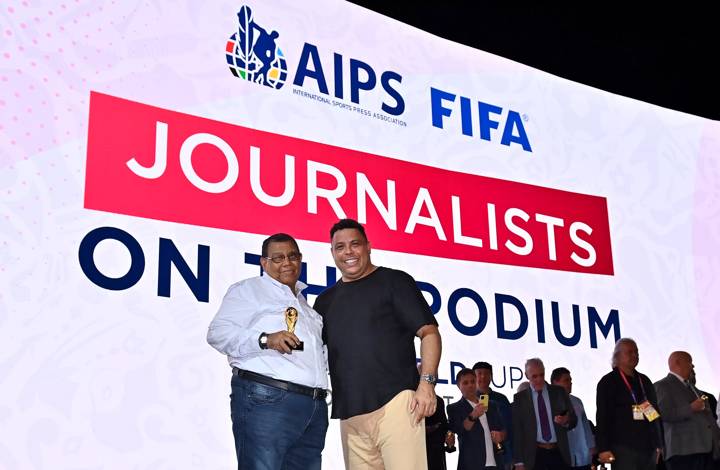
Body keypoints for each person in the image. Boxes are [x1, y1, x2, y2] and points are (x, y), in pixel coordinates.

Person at [314, 218, 442, 470]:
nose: (348, 252)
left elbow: (429, 333)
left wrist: (426, 384)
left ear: (368, 246)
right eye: (340, 247)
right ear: (332, 253)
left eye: (355, 244)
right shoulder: (324, 302)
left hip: (397, 404)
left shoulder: (395, 281)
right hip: (350, 415)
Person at [207, 233, 328, 470]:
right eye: (278, 258)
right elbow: (218, 333)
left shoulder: (305, 306)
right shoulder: (249, 290)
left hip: (313, 407)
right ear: (264, 263)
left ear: (300, 259)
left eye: (292, 256)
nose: (287, 263)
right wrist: (265, 339)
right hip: (267, 400)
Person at [595, 338, 662, 470]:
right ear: (617, 356)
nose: (634, 355)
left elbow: (653, 415)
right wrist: (603, 449)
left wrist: (659, 444)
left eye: (636, 352)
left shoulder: (644, 381)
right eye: (629, 352)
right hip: (621, 449)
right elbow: (602, 417)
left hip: (648, 448)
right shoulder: (608, 382)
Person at [654, 351, 720, 470]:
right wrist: (690, 408)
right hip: (683, 451)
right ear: (678, 362)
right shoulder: (662, 386)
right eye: (690, 362)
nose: (692, 366)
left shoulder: (693, 387)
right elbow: (662, 414)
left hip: (706, 451)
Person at [512, 358, 577, 470]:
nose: (539, 379)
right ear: (526, 375)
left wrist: (566, 421)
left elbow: (573, 420)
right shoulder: (520, 398)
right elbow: (518, 432)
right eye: (534, 376)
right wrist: (519, 462)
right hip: (535, 455)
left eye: (542, 375)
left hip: (559, 452)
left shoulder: (559, 392)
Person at [448, 368, 506, 470]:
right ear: (458, 386)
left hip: (496, 463)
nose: (470, 385)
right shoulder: (454, 408)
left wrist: (501, 436)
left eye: (472, 381)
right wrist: (473, 415)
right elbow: (460, 430)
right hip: (471, 464)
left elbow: (503, 429)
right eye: (465, 383)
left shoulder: (491, 405)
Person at [551, 367, 596, 470]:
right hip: (562, 457)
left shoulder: (577, 402)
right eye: (566, 380)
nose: (570, 383)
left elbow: (586, 427)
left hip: (582, 455)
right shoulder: (550, 403)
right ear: (555, 382)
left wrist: (591, 446)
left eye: (570, 380)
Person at [473, 361, 514, 469]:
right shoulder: (468, 400)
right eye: (479, 373)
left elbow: (511, 426)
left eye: (487, 373)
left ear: (491, 377)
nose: (483, 376)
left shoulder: (502, 399)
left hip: (502, 457)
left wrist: (503, 434)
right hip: (477, 458)